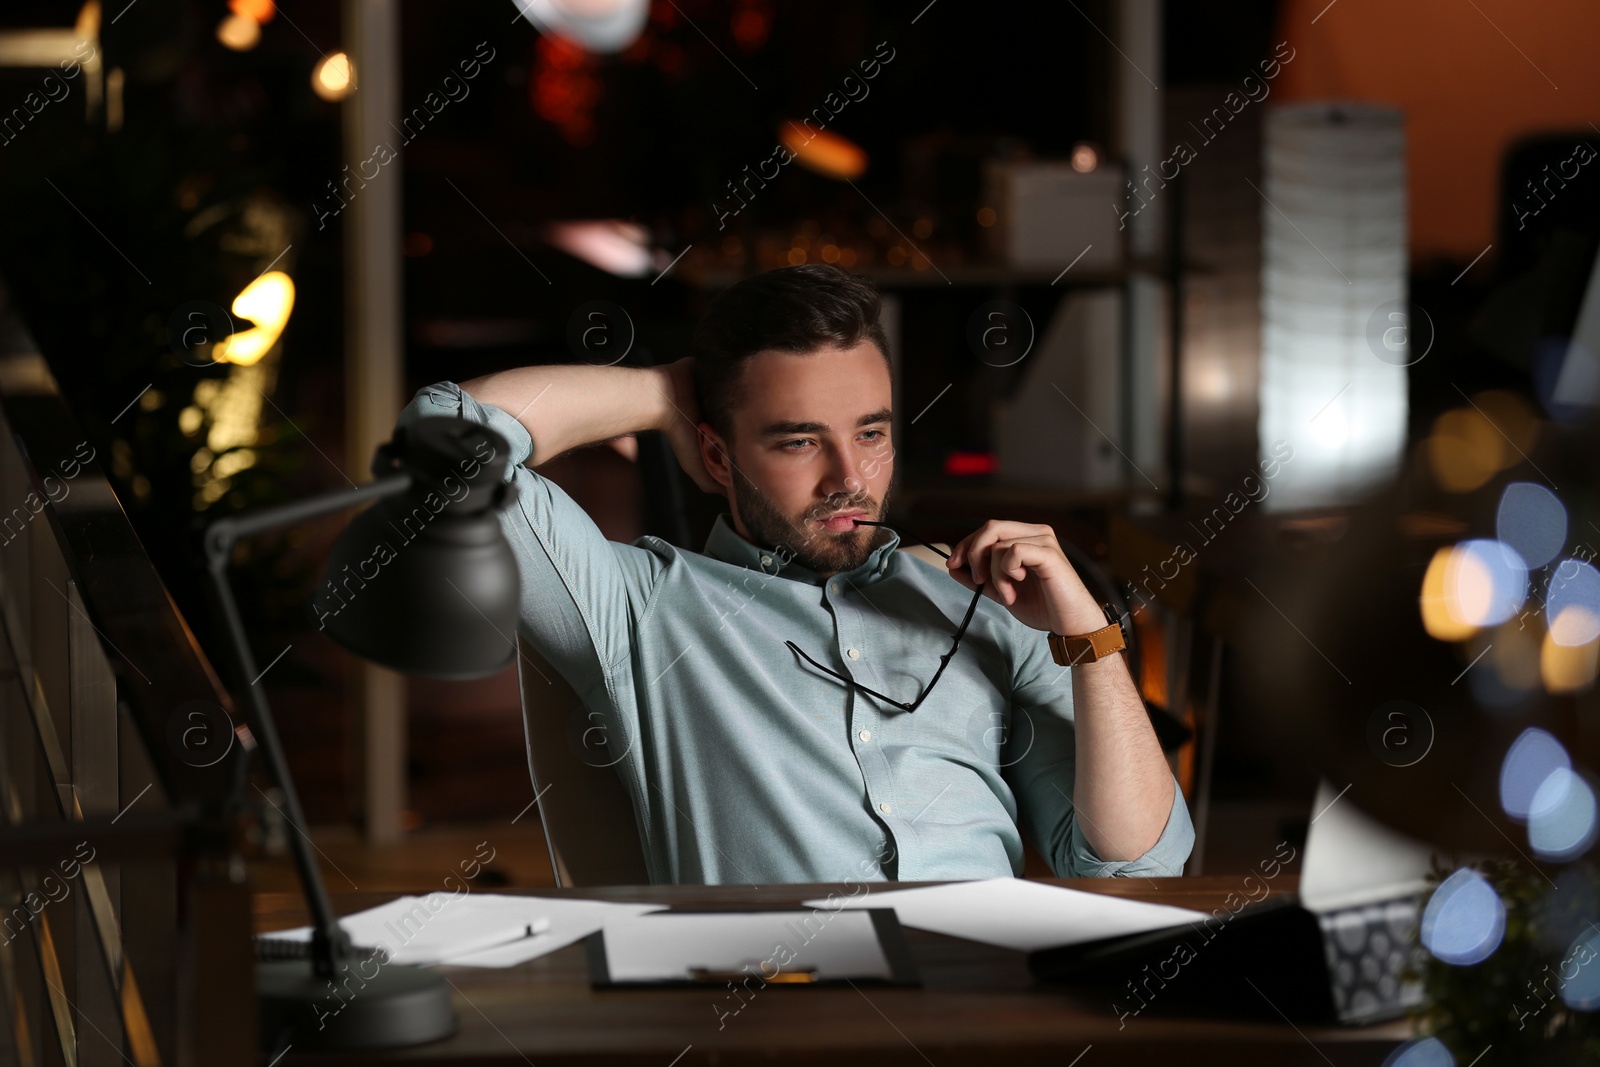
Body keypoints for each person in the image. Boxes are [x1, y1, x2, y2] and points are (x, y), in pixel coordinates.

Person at [395, 263, 1192, 885]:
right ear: (716, 453)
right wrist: (662, 395)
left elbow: (1136, 865)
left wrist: (1090, 636)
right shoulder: (638, 608)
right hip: (776, 1018)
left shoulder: (985, 606)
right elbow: (441, 438)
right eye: (798, 440)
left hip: (979, 1003)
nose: (850, 475)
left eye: (871, 431)